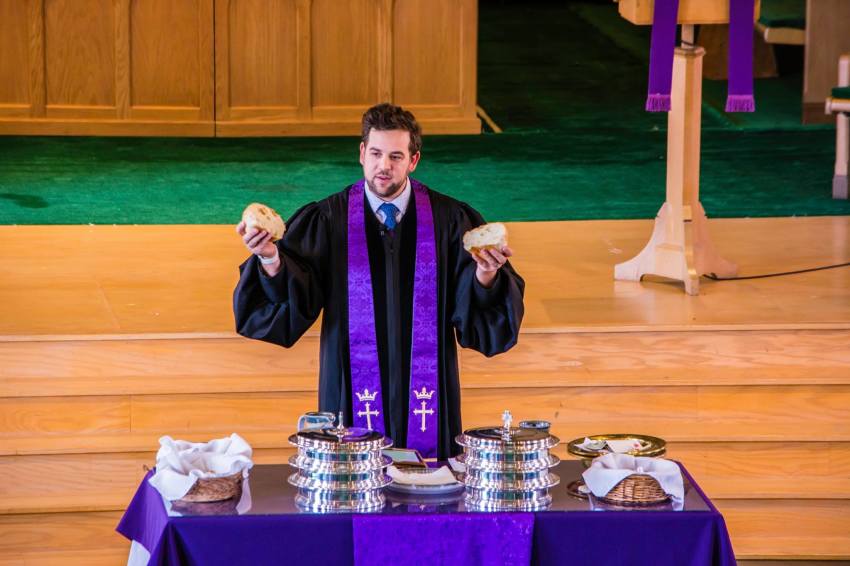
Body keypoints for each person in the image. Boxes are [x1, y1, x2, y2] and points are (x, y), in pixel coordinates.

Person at [233, 103, 524, 459]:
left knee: (429, 490)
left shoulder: (449, 219)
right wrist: (268, 257)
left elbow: (476, 309)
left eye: (396, 156)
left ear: (413, 160)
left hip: (427, 392)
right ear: (361, 153)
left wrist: (486, 274)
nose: (383, 166)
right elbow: (298, 293)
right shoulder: (328, 218)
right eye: (375, 153)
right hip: (349, 385)